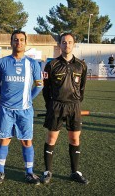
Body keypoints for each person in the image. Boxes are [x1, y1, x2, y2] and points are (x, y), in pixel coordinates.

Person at [0, 30, 43, 185]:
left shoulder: (33, 64)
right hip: (6, 110)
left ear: (25, 43)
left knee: (27, 141)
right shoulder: (2, 62)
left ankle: (29, 172)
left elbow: (39, 86)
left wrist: (28, 99)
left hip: (25, 110)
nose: (18, 42)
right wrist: (5, 98)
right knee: (4, 140)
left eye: (21, 40)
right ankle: (0, 172)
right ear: (11, 42)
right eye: (15, 40)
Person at [40, 32, 89, 184]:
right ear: (59, 45)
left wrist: (76, 102)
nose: (66, 45)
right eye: (63, 42)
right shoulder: (51, 64)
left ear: (73, 44)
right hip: (56, 106)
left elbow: (82, 88)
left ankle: (74, 172)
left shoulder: (81, 65)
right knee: (51, 138)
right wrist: (50, 106)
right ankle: (48, 171)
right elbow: (45, 88)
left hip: (74, 106)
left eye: (69, 42)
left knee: (75, 138)